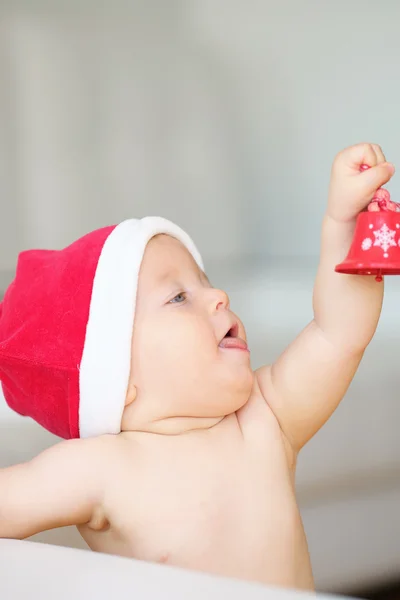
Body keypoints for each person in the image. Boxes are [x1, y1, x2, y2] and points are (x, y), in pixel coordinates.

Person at [0, 143, 394, 591]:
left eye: (205, 282)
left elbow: (338, 333)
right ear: (117, 377)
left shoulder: (266, 419)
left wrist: (343, 224)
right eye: (179, 297)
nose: (219, 296)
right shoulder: (99, 468)